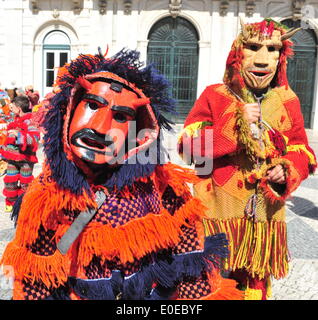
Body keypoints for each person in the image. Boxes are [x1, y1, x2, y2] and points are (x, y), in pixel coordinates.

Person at [0, 48, 243, 300]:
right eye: (93, 106)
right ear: (69, 109)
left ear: (139, 129)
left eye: (120, 117)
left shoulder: (163, 186)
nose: (101, 128)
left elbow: (192, 267)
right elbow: (37, 282)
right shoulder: (47, 195)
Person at [178, 18, 317, 300]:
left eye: (273, 49)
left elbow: (303, 150)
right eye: (253, 47)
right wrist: (233, 128)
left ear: (282, 56)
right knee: (211, 286)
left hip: (264, 218)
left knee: (255, 285)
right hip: (216, 214)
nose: (264, 59)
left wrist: (287, 170)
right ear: (238, 52)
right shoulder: (214, 96)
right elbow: (188, 146)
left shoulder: (288, 99)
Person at [0, 95, 40, 213]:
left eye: (12, 107)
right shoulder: (15, 119)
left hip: (26, 160)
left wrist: (18, 135)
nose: (10, 109)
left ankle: (23, 204)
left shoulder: (31, 121)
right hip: (12, 159)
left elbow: (34, 139)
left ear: (18, 108)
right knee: (9, 181)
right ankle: (11, 202)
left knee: (25, 183)